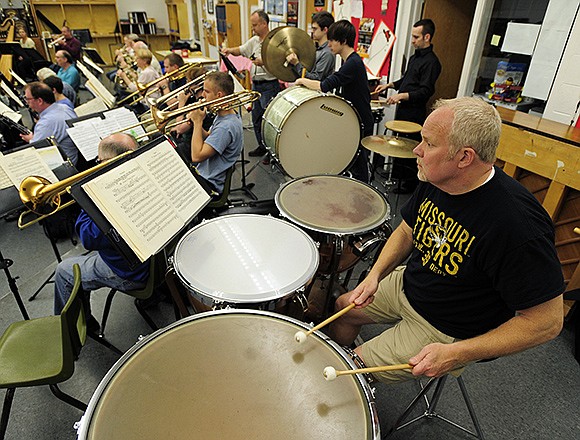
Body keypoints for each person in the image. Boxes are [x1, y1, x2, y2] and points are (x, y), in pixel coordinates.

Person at [330, 97, 565, 384]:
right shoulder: (437, 179)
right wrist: (375, 275)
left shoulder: (518, 226)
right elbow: (407, 230)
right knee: (343, 307)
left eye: (428, 143)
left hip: (446, 327)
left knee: (349, 372)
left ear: (464, 157)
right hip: (411, 284)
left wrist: (458, 352)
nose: (417, 150)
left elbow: (547, 323)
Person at [53, 133, 148, 320]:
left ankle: (76, 329)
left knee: (64, 270)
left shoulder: (112, 196)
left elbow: (88, 239)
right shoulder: (145, 176)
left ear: (104, 161)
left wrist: (86, 200)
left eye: (98, 160)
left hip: (132, 272)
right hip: (155, 260)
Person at [296, 20, 373, 182]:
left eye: (332, 40)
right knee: (352, 161)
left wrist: (302, 81)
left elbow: (325, 85)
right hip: (354, 119)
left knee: (359, 166)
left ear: (343, 41)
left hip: (361, 121)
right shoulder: (349, 60)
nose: (329, 44)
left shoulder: (353, 63)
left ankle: (363, 196)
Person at [375, 18, 441, 194]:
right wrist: (390, 85)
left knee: (409, 148)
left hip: (415, 113)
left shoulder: (432, 63)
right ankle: (398, 178)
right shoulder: (415, 57)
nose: (412, 40)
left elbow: (425, 91)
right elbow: (407, 80)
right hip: (403, 110)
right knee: (399, 143)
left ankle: (409, 185)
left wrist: (402, 96)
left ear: (427, 37)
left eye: (416, 37)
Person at [221, 10, 280, 157]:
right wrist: (229, 50)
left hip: (269, 85)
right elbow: (241, 50)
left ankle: (272, 153)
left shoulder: (276, 41)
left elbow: (281, 63)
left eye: (254, 25)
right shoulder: (254, 41)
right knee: (256, 119)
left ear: (264, 24)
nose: (252, 28)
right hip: (256, 86)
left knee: (269, 123)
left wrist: (264, 62)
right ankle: (262, 147)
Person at [187, 71, 242, 194]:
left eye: (206, 92)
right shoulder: (224, 115)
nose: (202, 96)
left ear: (219, 95)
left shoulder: (226, 127)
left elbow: (196, 156)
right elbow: (209, 137)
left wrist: (197, 123)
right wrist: (197, 126)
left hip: (209, 183)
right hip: (205, 176)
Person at [20, 82, 80, 166]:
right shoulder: (65, 108)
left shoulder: (46, 123)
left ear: (40, 101)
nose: (27, 102)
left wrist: (30, 139)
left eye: (28, 99)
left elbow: (36, 149)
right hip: (75, 158)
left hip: (62, 166)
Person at [285, 11, 335, 81]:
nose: (312, 31)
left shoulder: (327, 53)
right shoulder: (315, 48)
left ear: (325, 30)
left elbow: (316, 79)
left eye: (315, 29)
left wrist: (296, 64)